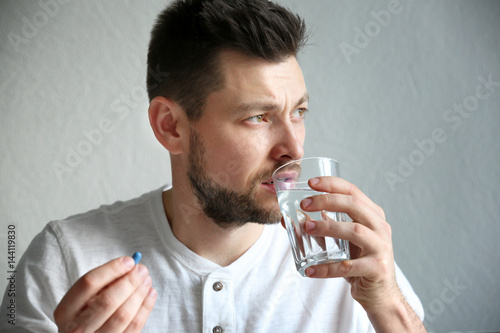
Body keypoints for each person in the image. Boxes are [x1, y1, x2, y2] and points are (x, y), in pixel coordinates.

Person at [1, 0, 426, 332]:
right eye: (257, 117)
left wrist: (389, 306)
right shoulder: (65, 259)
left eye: (299, 112)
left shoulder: (346, 260)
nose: (292, 147)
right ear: (171, 127)